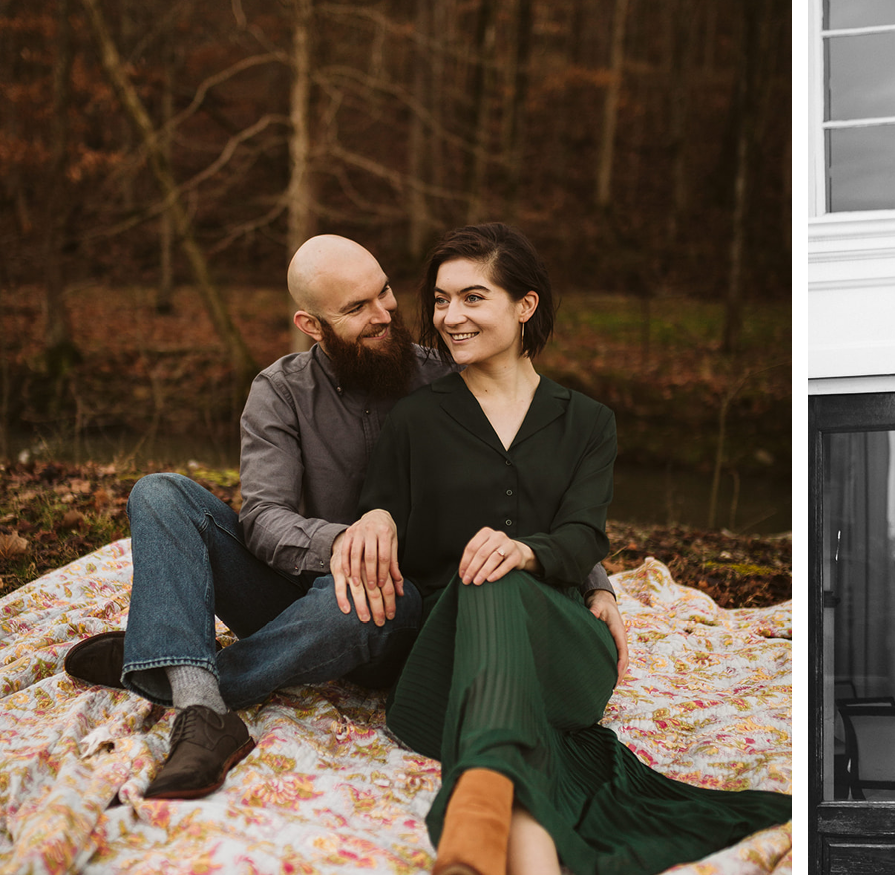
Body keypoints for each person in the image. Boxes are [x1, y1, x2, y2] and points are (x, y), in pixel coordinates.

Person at [356, 223, 791, 875]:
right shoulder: (413, 419)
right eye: (439, 300)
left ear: (526, 305)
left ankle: (478, 811)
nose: (449, 316)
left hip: (564, 649)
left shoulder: (585, 419)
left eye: (472, 296)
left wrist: (550, 559)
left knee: (505, 581)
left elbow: (584, 530)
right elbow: (382, 516)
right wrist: (372, 518)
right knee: (488, 596)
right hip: (444, 668)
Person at [60, 234, 626, 801]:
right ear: (311, 325)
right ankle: (204, 714)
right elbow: (260, 518)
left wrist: (593, 581)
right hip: (290, 590)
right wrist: (344, 542)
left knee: (366, 597)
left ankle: (174, 671)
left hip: (385, 606)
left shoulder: (447, 374)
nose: (383, 315)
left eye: (384, 294)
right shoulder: (279, 392)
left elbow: (534, 480)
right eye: (356, 309)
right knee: (161, 493)